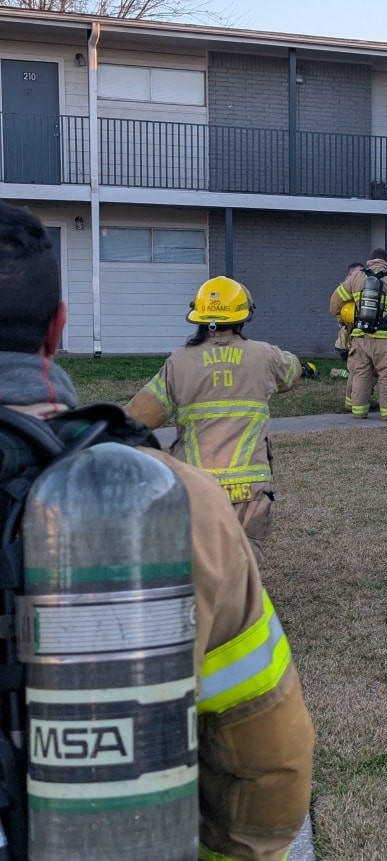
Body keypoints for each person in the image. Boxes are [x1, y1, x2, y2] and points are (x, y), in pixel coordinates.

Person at [0, 201, 314, 861]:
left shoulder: (178, 363)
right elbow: (270, 755)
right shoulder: (168, 497)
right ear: (55, 328)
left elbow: (143, 407)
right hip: (229, 499)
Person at [125, 275, 302, 562]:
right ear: (242, 317)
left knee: (200, 560)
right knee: (245, 558)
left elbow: (140, 416)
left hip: (197, 487)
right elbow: (292, 372)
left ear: (199, 317)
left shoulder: (179, 362)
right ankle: (242, 603)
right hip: (250, 489)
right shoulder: (263, 355)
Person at [328, 248, 387, 421]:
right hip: (386, 341)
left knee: (360, 373)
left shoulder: (356, 278)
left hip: (360, 338)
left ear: (369, 262)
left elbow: (334, 303)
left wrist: (342, 319)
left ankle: (359, 411)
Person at [331, 262, 362, 408]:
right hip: (348, 341)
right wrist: (341, 319)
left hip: (360, 339)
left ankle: (360, 399)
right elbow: (336, 307)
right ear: (349, 276)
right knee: (359, 371)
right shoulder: (345, 290)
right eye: (356, 273)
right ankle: (355, 401)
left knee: (362, 370)